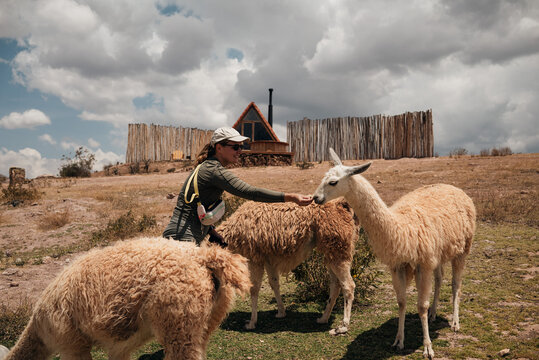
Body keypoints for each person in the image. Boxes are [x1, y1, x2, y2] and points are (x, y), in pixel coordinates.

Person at [162, 126, 313, 246]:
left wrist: (211, 232)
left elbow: (194, 206)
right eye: (235, 147)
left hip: (181, 235)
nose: (240, 151)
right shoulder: (214, 171)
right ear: (219, 147)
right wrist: (292, 197)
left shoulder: (206, 167)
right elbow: (251, 192)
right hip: (182, 239)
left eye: (241, 146)